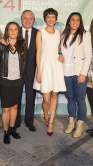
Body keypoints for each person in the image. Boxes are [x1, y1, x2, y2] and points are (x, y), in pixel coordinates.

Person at [33, 8, 66, 136]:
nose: (51, 19)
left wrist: (61, 54)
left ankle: (51, 122)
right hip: (44, 66)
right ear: (45, 18)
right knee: (46, 98)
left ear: (56, 19)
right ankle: (45, 115)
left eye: (53, 17)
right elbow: (39, 52)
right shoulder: (40, 32)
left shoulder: (59, 33)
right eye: (48, 17)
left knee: (54, 95)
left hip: (56, 66)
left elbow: (60, 49)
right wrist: (38, 71)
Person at [0, 22, 27, 144]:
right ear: (7, 31)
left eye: (15, 29)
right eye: (10, 29)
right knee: (6, 109)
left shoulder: (22, 44)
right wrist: (0, 75)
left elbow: (25, 62)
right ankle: (6, 132)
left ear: (18, 31)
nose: (13, 31)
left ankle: (12, 129)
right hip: (5, 81)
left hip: (18, 81)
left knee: (14, 107)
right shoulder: (2, 44)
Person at [60, 12, 92, 138]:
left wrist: (84, 73)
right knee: (70, 99)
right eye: (72, 19)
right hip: (66, 73)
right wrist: (60, 55)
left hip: (79, 73)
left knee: (80, 99)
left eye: (77, 20)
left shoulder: (85, 34)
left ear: (80, 22)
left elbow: (88, 55)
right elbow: (61, 52)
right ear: (69, 21)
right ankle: (71, 122)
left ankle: (80, 124)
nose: (75, 22)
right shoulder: (64, 35)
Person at [14, 10, 38, 132]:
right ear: (21, 19)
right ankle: (16, 120)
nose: (28, 20)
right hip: (16, 72)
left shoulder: (38, 33)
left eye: (30, 18)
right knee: (16, 97)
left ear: (33, 20)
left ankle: (29, 121)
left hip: (32, 71)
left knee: (31, 97)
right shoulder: (14, 31)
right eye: (25, 18)